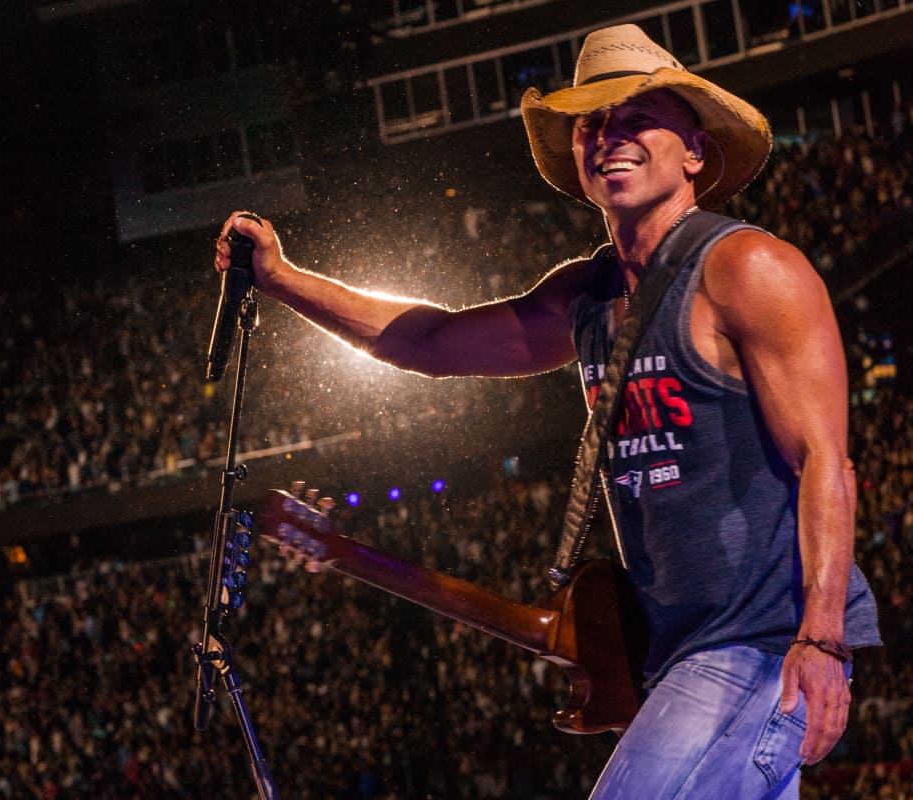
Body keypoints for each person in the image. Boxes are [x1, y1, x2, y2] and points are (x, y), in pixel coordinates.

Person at [214, 23, 880, 799]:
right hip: (680, 656)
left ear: (695, 150)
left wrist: (823, 641)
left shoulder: (749, 268)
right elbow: (426, 340)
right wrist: (283, 278)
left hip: (758, 649)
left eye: (637, 118)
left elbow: (825, 461)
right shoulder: (586, 295)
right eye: (592, 124)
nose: (609, 137)